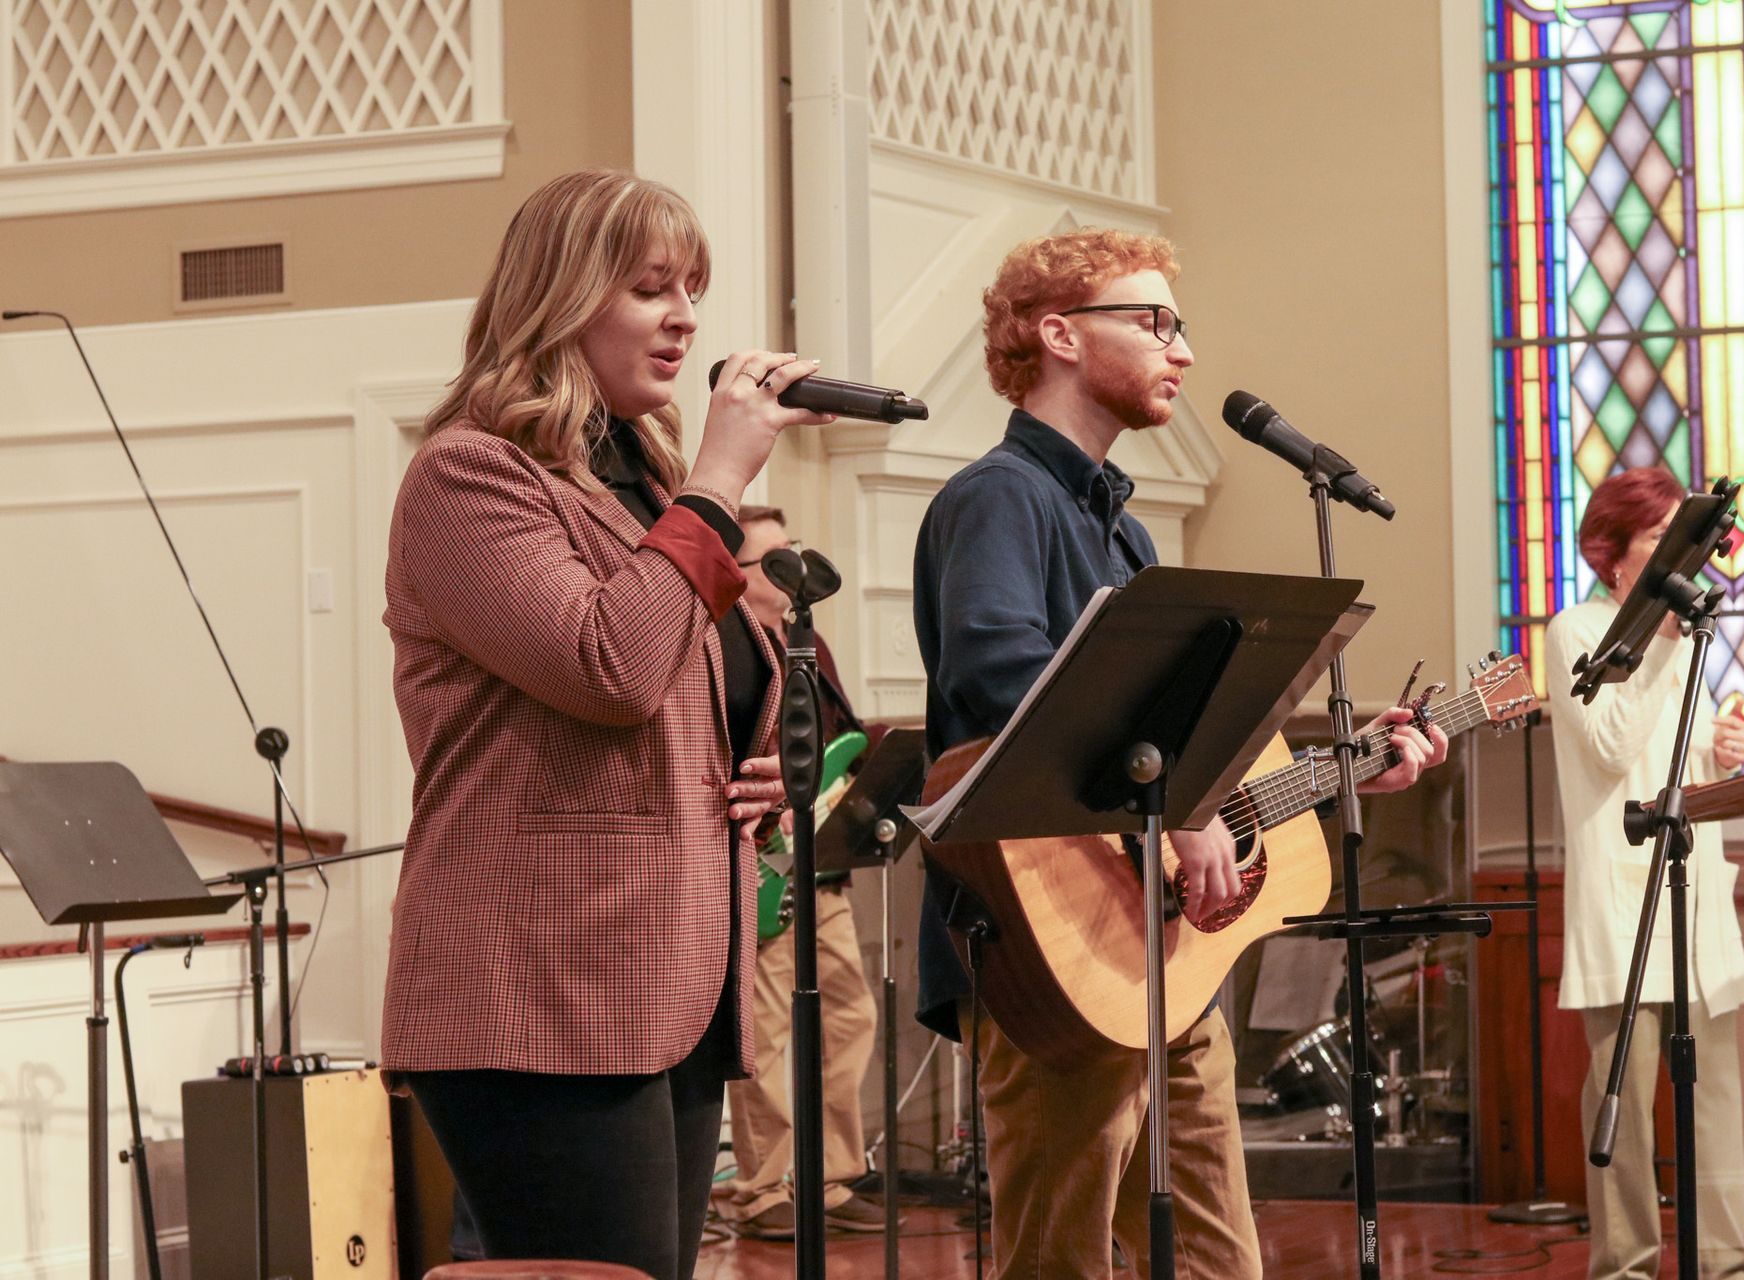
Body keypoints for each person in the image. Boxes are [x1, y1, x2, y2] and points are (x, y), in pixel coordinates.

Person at [912, 227, 1447, 1279]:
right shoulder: (999, 498)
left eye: (1177, 323)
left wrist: (1349, 760)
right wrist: (1177, 807)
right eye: (1152, 320)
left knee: (1220, 1265)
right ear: (1060, 334)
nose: (1183, 350)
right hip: (1052, 944)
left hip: (1161, 962)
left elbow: (1185, 734)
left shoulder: (1127, 534)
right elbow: (1000, 682)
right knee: (1054, 1262)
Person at [380, 168, 833, 1280]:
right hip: (540, 987)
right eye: (649, 287)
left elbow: (687, 692)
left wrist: (758, 769)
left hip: (668, 971)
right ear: (561, 297)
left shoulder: (644, 484)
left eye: (693, 288)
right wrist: (722, 476)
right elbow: (610, 666)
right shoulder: (470, 475)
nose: (685, 316)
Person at [1543, 466, 1744, 1280]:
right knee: (1624, 1115)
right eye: (1661, 537)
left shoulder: (1688, 632)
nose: (1683, 555)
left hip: (1696, 905)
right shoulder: (1577, 630)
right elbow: (1609, 749)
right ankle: (1626, 1266)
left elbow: (1683, 767)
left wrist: (1721, 751)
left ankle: (1726, 1267)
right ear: (1616, 552)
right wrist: (1664, 638)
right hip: (1619, 909)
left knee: (1715, 1109)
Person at [723, 505, 885, 1238]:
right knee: (765, 1038)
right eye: (774, 559)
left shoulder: (808, 642)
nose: (793, 568)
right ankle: (760, 1191)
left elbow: (832, 747)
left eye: (795, 552)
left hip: (823, 872)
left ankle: (834, 1176)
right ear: (738, 574)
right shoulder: (722, 645)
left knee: (850, 1016)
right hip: (763, 871)